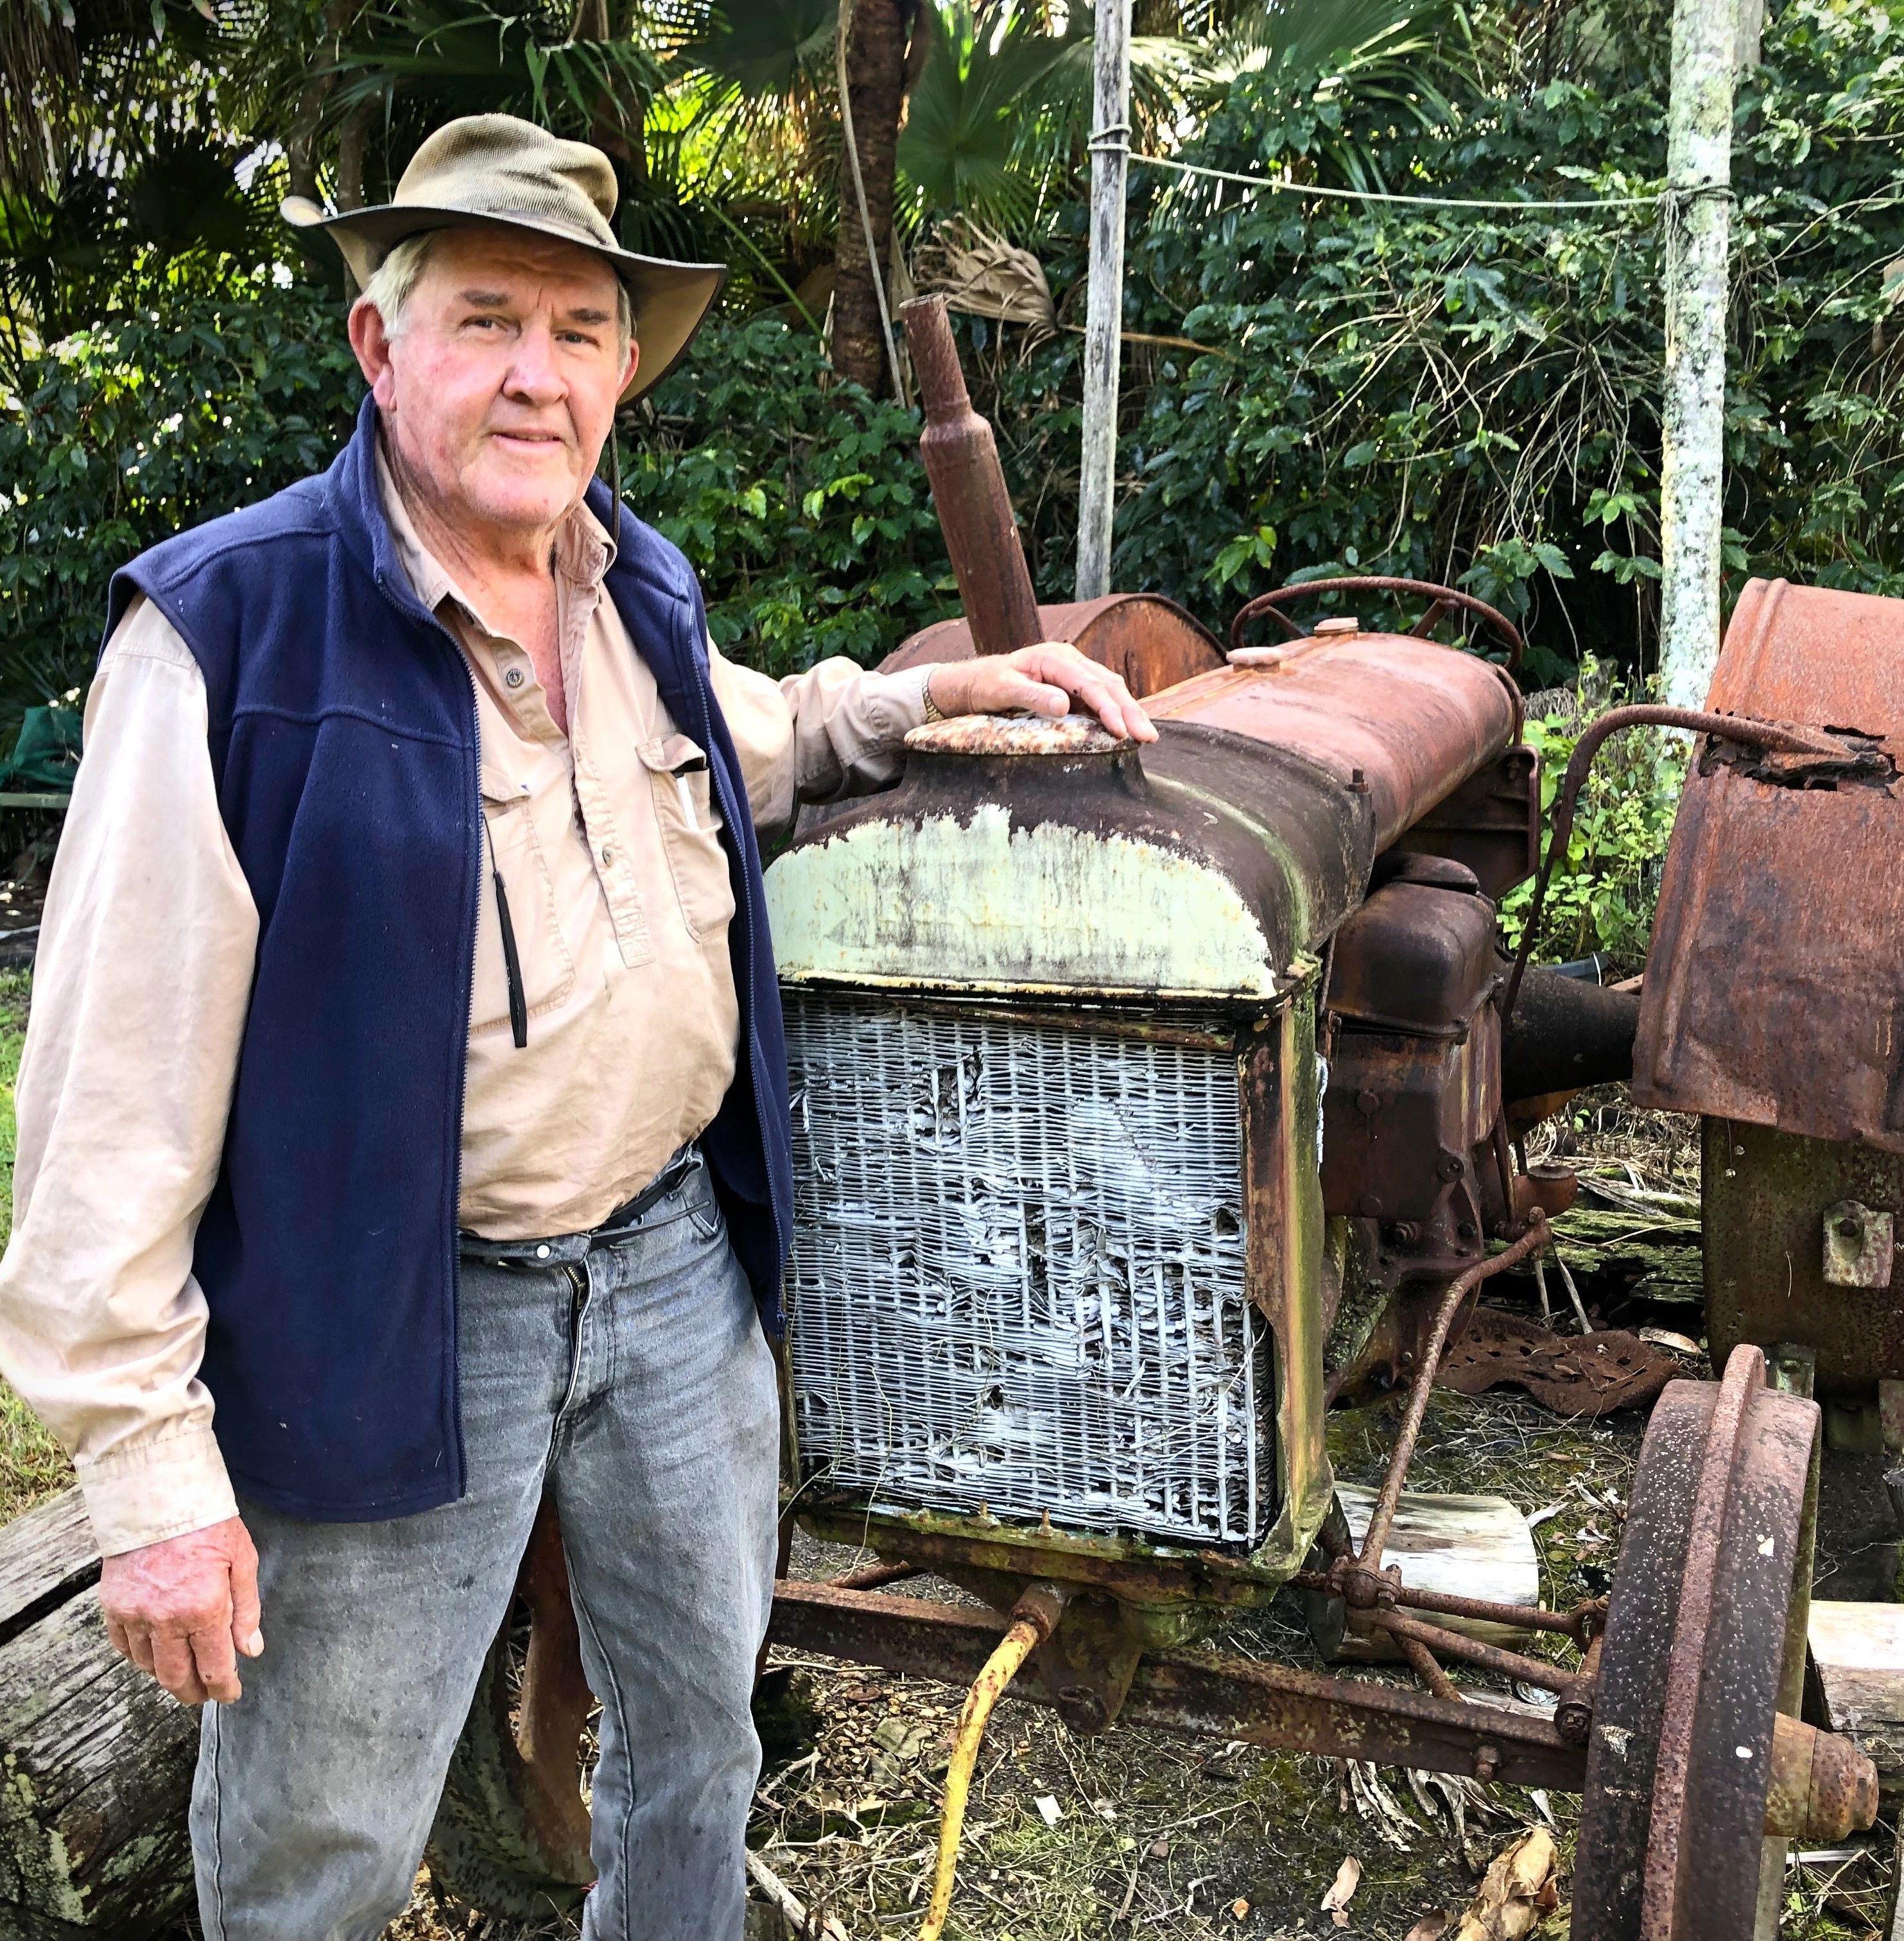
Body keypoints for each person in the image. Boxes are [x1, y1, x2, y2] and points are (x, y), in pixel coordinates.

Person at [0, 112, 1154, 1941]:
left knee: (697, 1733)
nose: (537, 374)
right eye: (484, 320)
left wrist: (930, 698)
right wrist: (146, 1474)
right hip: (400, 1316)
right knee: (324, 1837)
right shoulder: (227, 644)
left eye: (580, 329)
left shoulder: (632, 591)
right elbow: (103, 1105)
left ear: (622, 369)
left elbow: (743, 741)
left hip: (675, 1277)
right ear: (381, 350)